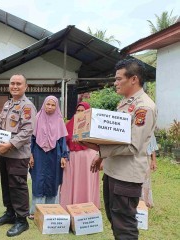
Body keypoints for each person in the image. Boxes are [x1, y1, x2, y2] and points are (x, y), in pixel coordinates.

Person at [86, 59, 157, 240]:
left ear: (133, 79)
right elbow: (116, 136)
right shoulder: (125, 103)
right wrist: (101, 157)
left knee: (124, 226)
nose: (115, 83)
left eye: (118, 79)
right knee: (114, 219)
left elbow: (133, 145)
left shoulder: (144, 107)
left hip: (126, 176)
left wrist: (100, 150)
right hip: (113, 172)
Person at [0, 74, 36, 237]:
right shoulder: (8, 104)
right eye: (12, 83)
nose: (15, 86)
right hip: (6, 154)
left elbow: (27, 131)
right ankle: (10, 213)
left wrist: (10, 144)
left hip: (18, 155)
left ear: (25, 87)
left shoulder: (27, 106)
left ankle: (22, 220)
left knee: (18, 187)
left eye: (18, 84)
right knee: (7, 185)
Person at [28, 95, 68, 219]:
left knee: (53, 180)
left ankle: (50, 210)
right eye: (48, 104)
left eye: (53, 105)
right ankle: (35, 211)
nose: (50, 107)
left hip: (54, 155)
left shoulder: (59, 120)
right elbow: (31, 139)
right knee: (38, 181)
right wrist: (30, 155)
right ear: (44, 105)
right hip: (38, 153)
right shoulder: (37, 118)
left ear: (56, 107)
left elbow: (62, 141)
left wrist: (64, 156)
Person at [59, 102, 100, 209]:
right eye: (78, 110)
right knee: (71, 182)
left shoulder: (94, 124)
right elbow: (63, 142)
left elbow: (99, 143)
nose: (81, 113)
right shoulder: (69, 124)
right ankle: (70, 206)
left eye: (83, 111)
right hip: (73, 158)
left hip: (88, 157)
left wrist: (99, 156)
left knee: (86, 182)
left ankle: (87, 206)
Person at [141, 133, 158, 208]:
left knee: (146, 180)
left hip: (146, 157)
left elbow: (153, 145)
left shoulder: (150, 126)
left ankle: (145, 201)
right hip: (134, 156)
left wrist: (153, 161)